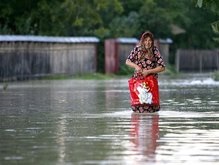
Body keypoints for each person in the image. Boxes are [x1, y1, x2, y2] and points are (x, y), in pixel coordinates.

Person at [126, 31, 165, 113]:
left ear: (152, 41)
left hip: (151, 83)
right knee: (138, 104)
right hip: (138, 82)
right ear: (142, 41)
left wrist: (148, 72)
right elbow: (128, 61)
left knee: (152, 105)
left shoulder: (155, 50)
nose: (147, 42)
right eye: (145, 40)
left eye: (150, 40)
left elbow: (162, 67)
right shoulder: (137, 49)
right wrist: (136, 66)